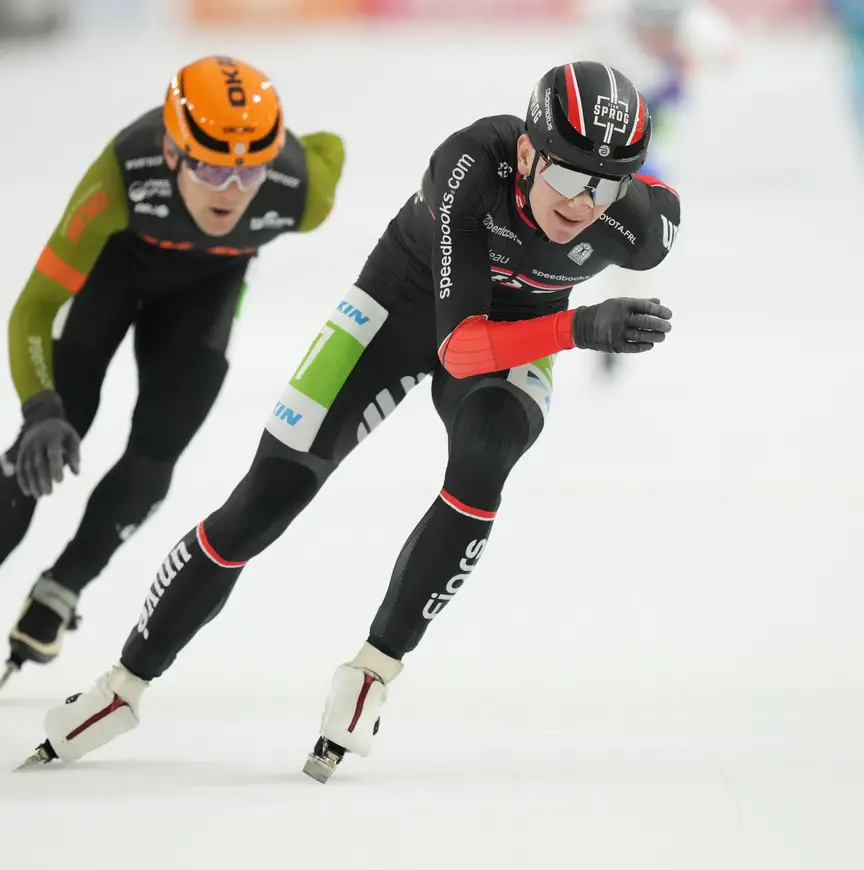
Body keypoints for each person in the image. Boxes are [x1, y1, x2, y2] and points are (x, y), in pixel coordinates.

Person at [20, 61, 680, 780]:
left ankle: (374, 668)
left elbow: (646, 207)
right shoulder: (470, 165)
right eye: (569, 176)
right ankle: (124, 684)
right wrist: (580, 327)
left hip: (518, 331)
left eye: (605, 183)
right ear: (526, 153)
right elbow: (458, 346)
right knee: (268, 494)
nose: (584, 202)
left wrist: (576, 321)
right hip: (402, 302)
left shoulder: (644, 225)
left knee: (489, 446)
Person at [0, 55, 344, 689]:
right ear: (170, 151)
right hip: (117, 269)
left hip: (205, 294)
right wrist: (39, 410)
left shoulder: (300, 192)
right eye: (211, 167)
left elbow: (330, 149)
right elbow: (35, 307)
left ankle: (62, 588)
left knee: (155, 458)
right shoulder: (121, 175)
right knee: (48, 438)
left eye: (250, 171)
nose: (231, 191)